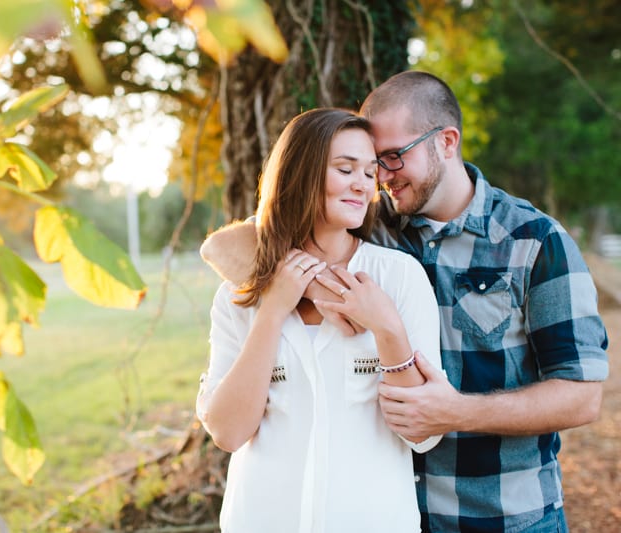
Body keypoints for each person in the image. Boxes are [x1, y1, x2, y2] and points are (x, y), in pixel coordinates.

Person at [199, 71, 609, 533]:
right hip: (400, 509)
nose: (380, 178)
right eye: (372, 164)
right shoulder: (375, 227)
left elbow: (582, 396)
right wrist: (314, 289)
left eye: (391, 158)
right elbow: (227, 248)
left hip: (502, 514)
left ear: (447, 141)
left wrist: (453, 410)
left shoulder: (533, 241)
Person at [196, 107, 443, 533]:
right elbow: (229, 433)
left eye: (369, 173)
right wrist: (273, 310)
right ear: (301, 174)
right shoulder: (240, 292)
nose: (362, 184)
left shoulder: (396, 277)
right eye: (345, 168)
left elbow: (423, 434)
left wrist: (387, 327)